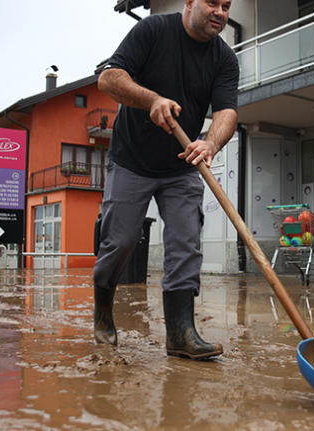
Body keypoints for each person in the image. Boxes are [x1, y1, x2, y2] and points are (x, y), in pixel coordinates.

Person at [93, 0, 239, 360]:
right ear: (189, 2)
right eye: (212, 2)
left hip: (182, 163)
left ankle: (180, 332)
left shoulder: (224, 58)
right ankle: (103, 311)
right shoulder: (153, 30)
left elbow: (227, 111)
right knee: (121, 240)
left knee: (186, 243)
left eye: (226, 5)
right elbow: (109, 79)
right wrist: (152, 99)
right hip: (132, 158)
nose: (220, 12)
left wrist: (211, 142)